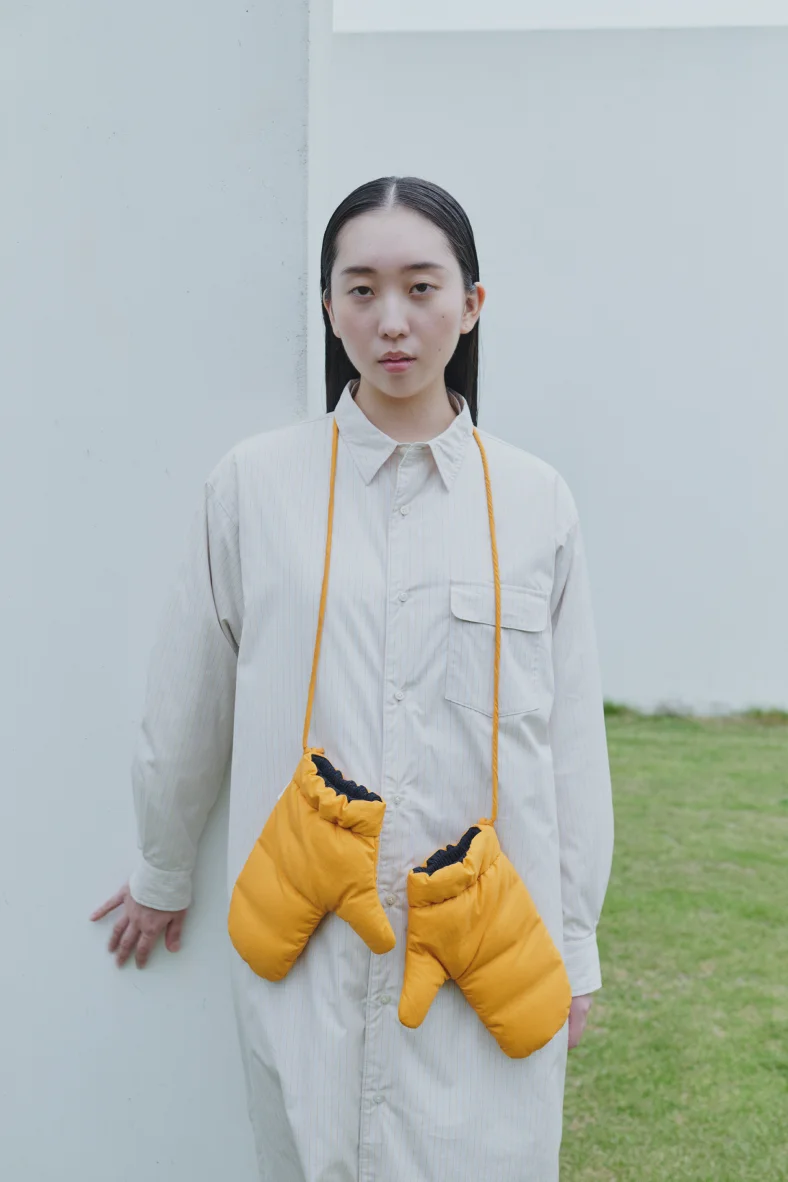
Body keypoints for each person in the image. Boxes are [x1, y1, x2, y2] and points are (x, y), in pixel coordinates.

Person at [90, 175, 614, 1181]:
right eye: (361, 290)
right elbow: (188, 694)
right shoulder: (255, 485)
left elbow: (569, 752)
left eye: (421, 287)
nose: (392, 321)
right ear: (329, 308)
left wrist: (575, 949)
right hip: (311, 946)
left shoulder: (536, 502)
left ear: (471, 303)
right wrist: (162, 868)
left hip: (484, 947)